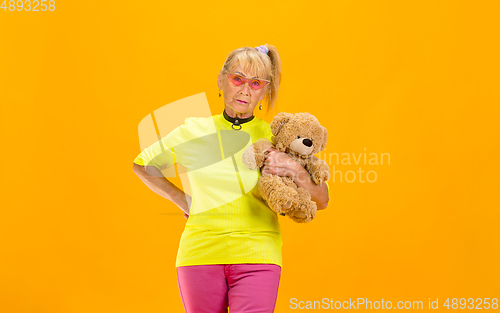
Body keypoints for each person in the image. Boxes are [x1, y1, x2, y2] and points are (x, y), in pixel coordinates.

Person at [132, 44, 329, 313]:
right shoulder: (193, 131)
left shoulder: (275, 138)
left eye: (256, 82)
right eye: (238, 78)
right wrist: (183, 200)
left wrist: (293, 169)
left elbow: (322, 199)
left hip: (258, 254)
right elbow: (143, 165)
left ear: (264, 90)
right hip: (200, 253)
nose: (245, 90)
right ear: (221, 80)